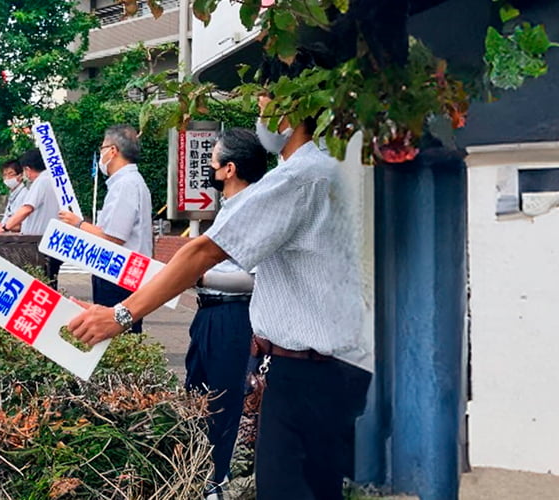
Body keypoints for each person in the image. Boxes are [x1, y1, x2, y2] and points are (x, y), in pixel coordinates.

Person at [66, 51, 373, 500]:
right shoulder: (332, 169)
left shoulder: (299, 177)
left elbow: (202, 252)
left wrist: (120, 315)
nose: (261, 114)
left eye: (263, 101)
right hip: (323, 369)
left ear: (290, 104)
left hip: (306, 375)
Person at [185, 128, 267, 499]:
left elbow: (256, 277)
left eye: (213, 161)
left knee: (226, 401)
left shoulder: (254, 210)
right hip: (209, 314)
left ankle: (220, 481)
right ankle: (201, 473)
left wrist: (202, 276)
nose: (209, 167)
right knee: (199, 394)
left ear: (229, 169)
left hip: (234, 317)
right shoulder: (230, 208)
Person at [58, 124, 152, 333]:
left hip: (119, 276)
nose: (101, 154)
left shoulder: (126, 184)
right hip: (122, 273)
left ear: (113, 151)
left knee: (117, 336)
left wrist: (78, 223)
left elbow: (114, 237)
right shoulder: (128, 182)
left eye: (102, 148)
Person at [0, 149, 63, 288]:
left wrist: (4, 227)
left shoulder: (41, 181)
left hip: (39, 246)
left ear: (27, 169)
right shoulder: (53, 180)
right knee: (49, 284)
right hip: (48, 243)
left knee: (41, 284)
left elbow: (27, 208)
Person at [0, 159, 28, 231]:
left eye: (11, 174)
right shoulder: (13, 194)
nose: (7, 178)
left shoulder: (24, 194)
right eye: (4, 175)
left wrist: (2, 227)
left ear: (20, 175)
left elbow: (20, 224)